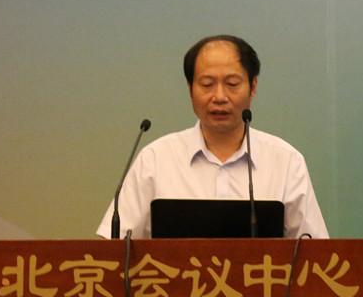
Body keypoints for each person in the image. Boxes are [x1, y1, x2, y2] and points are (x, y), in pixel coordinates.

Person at [96, 35, 328, 239]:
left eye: (232, 84)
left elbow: (316, 253)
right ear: (190, 89)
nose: (219, 97)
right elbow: (113, 249)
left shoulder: (285, 161)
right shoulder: (156, 159)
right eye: (207, 84)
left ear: (253, 87)